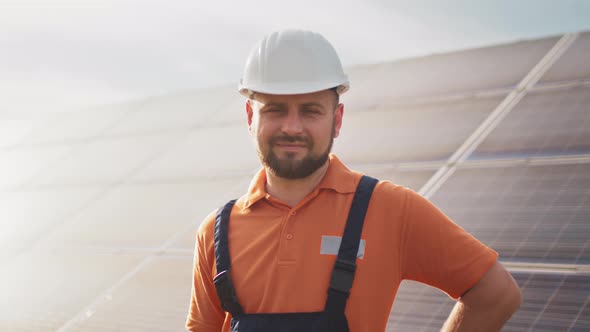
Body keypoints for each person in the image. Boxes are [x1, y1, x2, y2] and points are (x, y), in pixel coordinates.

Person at [186, 29, 521, 332]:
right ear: (250, 117)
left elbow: (496, 293)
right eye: (275, 109)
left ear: (337, 119)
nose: (292, 127)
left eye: (310, 110)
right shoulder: (216, 230)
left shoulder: (391, 209)